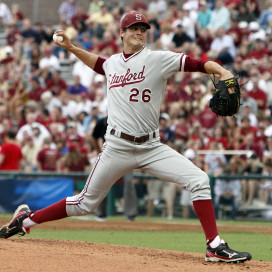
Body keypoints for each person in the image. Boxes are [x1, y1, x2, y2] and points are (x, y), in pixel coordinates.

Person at [0, 11, 251, 263]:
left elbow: (197, 64)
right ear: (122, 33)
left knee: (199, 180)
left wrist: (222, 70)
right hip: (117, 147)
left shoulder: (158, 59)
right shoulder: (112, 64)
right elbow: (98, 63)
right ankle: (26, 220)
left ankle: (214, 245)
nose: (139, 32)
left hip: (151, 147)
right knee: (84, 204)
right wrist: (72, 47)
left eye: (143, 28)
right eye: (133, 28)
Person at [91, 116, 138, 222]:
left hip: (126, 156)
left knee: (129, 182)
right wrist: (98, 150)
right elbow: (94, 136)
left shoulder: (127, 120)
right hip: (109, 156)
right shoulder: (103, 121)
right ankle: (100, 213)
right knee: (101, 182)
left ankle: (131, 214)